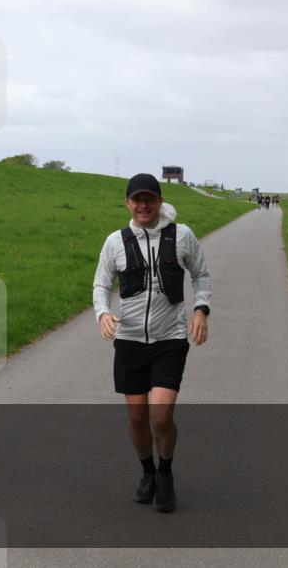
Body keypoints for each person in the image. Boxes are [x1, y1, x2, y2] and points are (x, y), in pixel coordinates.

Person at [93, 173, 211, 513]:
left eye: (150, 199)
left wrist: (201, 310)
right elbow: (101, 284)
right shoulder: (115, 241)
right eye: (137, 200)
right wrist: (103, 313)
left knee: (160, 417)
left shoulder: (182, 235)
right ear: (128, 203)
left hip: (170, 338)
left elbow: (201, 275)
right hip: (129, 340)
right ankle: (147, 472)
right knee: (136, 418)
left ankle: (166, 472)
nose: (143, 205)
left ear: (160, 202)